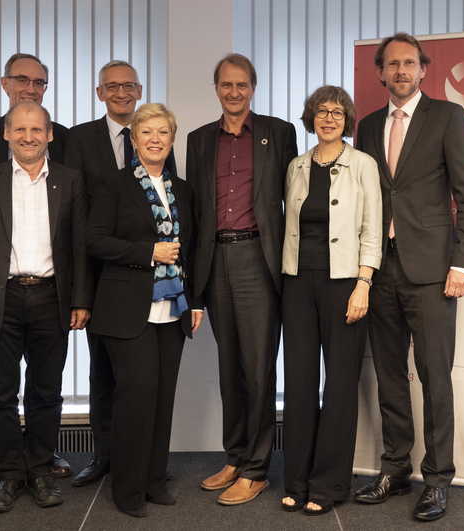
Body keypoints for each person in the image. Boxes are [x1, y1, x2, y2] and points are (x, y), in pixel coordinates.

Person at [354, 33, 464, 521]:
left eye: (410, 62)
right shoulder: (367, 127)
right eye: (392, 64)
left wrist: (462, 263)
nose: (401, 70)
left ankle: (438, 479)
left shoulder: (448, 117)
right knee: (389, 376)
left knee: (434, 378)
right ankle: (394, 468)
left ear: (423, 69)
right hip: (380, 270)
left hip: (432, 272)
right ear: (381, 73)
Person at [0, 102, 93, 513]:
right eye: (20, 129)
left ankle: (39, 469)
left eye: (37, 129)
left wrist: (81, 299)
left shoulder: (70, 180)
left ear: (50, 134)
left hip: (53, 298)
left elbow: (80, 248)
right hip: (3, 298)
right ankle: (11, 475)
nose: (28, 136)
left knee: (46, 393)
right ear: (7, 133)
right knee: (0, 394)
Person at [187, 53, 297, 505]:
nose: (234, 92)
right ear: (216, 88)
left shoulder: (279, 133)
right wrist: (193, 287)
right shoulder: (197, 140)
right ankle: (235, 456)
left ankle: (257, 468)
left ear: (253, 87)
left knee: (257, 368)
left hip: (258, 257)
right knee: (229, 367)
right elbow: (195, 213)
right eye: (226, 85)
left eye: (242, 85)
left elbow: (295, 199)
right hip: (215, 261)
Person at [86, 103, 203, 518]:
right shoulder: (113, 185)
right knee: (136, 396)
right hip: (125, 308)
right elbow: (95, 240)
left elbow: (190, 250)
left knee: (162, 398)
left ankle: (154, 481)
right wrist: (147, 252)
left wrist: (195, 301)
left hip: (173, 309)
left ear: (172, 141)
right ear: (134, 140)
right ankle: (127, 490)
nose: (155, 140)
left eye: (163, 133)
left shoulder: (183, 190)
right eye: (147, 133)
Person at [64, 60, 177, 488]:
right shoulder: (79, 139)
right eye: (112, 86)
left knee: (141, 382)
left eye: (129, 85)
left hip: (152, 286)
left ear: (139, 88)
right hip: (98, 277)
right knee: (103, 373)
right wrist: (79, 290)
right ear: (100, 93)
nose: (122, 92)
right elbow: (75, 219)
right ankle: (105, 454)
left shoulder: (156, 137)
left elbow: (171, 216)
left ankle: (140, 462)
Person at [280, 86, 382, 516]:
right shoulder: (296, 166)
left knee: (339, 385)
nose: (328, 118)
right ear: (311, 117)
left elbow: (373, 229)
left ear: (347, 119)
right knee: (300, 384)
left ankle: (328, 484)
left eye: (337, 112)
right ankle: (297, 481)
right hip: (297, 284)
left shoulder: (363, 165)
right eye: (321, 111)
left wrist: (364, 283)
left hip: (345, 284)